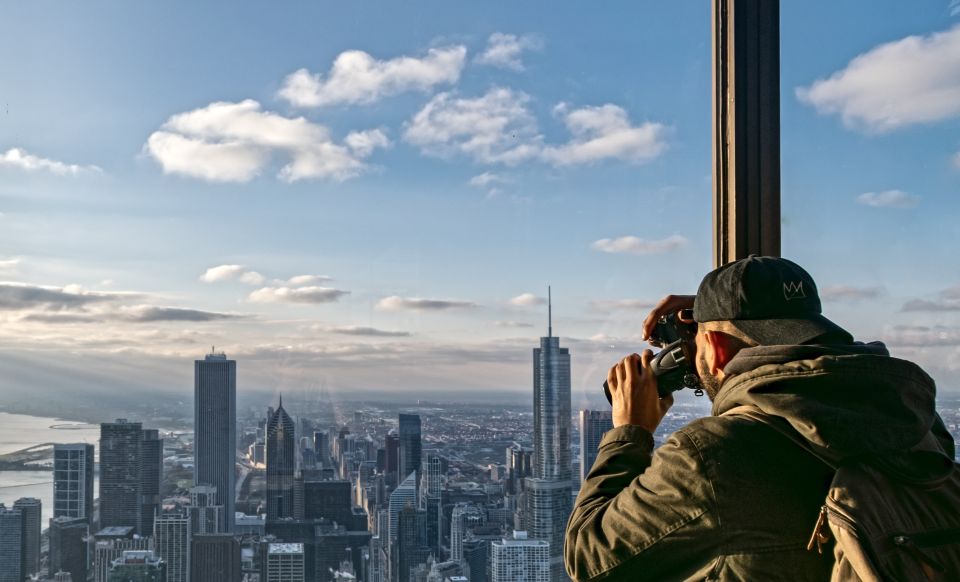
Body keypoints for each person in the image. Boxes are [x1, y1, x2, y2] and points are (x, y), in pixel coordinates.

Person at [564, 255, 956, 581]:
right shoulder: (915, 421)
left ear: (716, 349)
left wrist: (630, 431)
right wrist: (717, 315)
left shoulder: (710, 455)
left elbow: (589, 560)